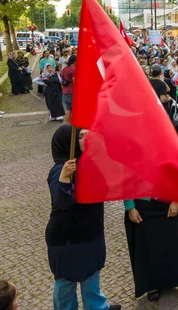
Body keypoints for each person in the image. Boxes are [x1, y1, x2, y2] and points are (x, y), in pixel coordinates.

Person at [46, 125, 121, 310]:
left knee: (91, 279)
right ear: (66, 143)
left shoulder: (91, 163)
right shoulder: (60, 170)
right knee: (66, 285)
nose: (85, 138)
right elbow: (63, 203)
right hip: (68, 241)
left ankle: (98, 308)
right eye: (80, 136)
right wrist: (65, 178)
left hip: (90, 234)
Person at [124, 193, 178, 303]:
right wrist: (130, 206)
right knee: (148, 244)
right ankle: (152, 283)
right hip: (142, 202)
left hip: (167, 199)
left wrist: (177, 199)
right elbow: (125, 178)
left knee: (174, 241)